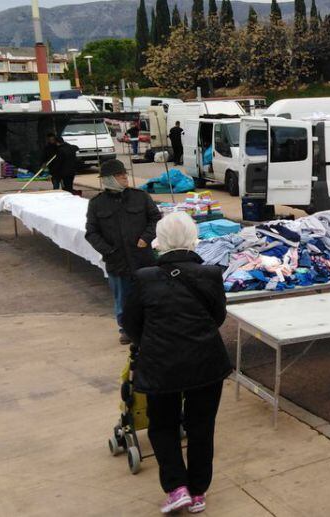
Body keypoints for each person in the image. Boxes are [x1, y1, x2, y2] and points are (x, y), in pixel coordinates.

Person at [122, 211, 230, 515]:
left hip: (161, 365)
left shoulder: (144, 278)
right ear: (192, 238)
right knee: (201, 426)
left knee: (163, 426)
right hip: (206, 362)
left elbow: (131, 323)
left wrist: (153, 341)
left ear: (161, 241)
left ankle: (176, 487)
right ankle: (197, 491)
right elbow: (217, 317)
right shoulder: (209, 274)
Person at [85, 159, 161, 345]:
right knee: (123, 298)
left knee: (149, 294)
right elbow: (91, 232)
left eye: (124, 174)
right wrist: (108, 250)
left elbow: (155, 218)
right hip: (117, 260)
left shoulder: (140, 197)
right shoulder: (97, 204)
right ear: (108, 179)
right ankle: (126, 329)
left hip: (142, 258)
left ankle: (150, 327)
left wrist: (146, 237)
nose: (125, 177)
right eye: (120, 175)